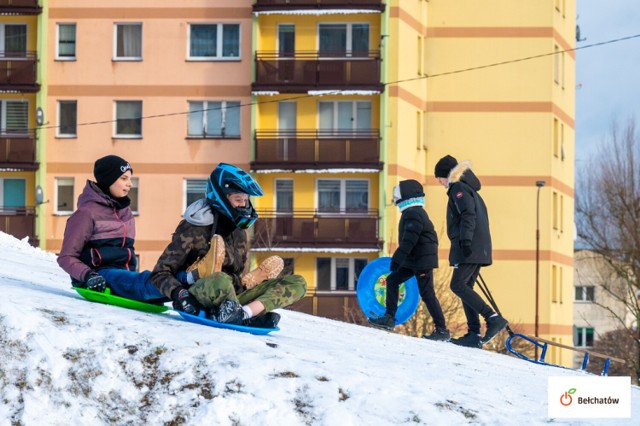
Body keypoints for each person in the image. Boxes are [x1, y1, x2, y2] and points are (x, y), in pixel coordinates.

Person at [150, 163, 307, 328]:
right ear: (221, 197)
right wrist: (180, 294)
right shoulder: (194, 228)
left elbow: (235, 273)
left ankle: (245, 313)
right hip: (201, 295)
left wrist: (246, 284)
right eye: (238, 200)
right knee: (221, 279)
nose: (244, 206)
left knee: (298, 282)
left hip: (233, 298)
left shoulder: (239, 231)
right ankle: (240, 315)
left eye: (246, 200)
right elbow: (159, 273)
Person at [58, 155, 168, 302]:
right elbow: (66, 257)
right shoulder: (86, 213)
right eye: (123, 178)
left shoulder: (125, 212)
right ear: (108, 180)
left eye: (130, 179)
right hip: (98, 277)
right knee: (152, 283)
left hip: (124, 277)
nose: (129, 184)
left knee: (171, 285)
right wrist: (89, 276)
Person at [434, 155, 508, 348]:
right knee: (466, 287)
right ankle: (474, 333)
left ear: (446, 175)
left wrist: (465, 240)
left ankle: (492, 318)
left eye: (439, 178)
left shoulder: (458, 188)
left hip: (470, 246)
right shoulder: (469, 189)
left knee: (458, 285)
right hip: (477, 246)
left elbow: (468, 214)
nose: (439, 183)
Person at [368, 179, 449, 341]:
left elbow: (409, 240)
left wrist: (397, 259)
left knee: (427, 294)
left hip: (421, 261)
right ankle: (389, 318)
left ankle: (442, 330)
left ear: (407, 196)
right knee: (392, 281)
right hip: (415, 259)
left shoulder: (413, 213)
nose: (395, 199)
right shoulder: (412, 212)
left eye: (397, 196)